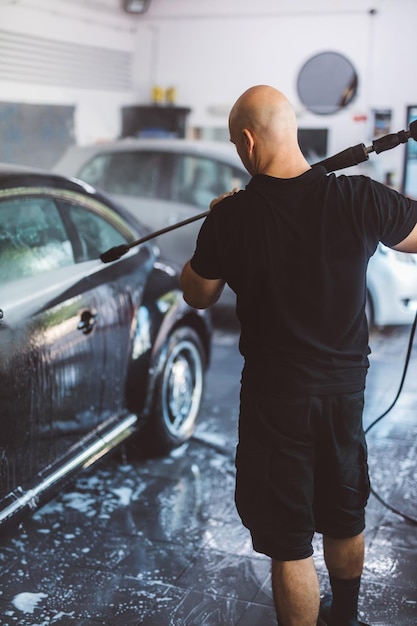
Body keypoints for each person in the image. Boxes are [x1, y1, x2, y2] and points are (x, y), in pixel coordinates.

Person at [180, 85, 417, 626]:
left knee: (290, 544)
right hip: (343, 396)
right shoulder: (360, 198)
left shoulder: (231, 218)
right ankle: (346, 617)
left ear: (246, 141)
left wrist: (213, 228)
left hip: (274, 403)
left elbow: (198, 293)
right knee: (343, 515)